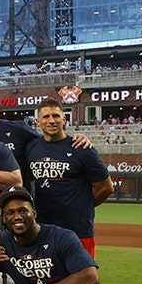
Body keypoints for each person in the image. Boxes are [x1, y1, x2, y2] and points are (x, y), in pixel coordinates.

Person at [26, 98, 114, 256]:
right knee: (49, 277)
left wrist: (82, 207)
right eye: (46, 117)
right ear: (38, 121)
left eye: (56, 116)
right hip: (43, 228)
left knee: (83, 277)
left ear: (64, 119)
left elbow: (106, 187)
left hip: (78, 230)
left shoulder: (81, 147)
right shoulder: (32, 147)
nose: (51, 121)